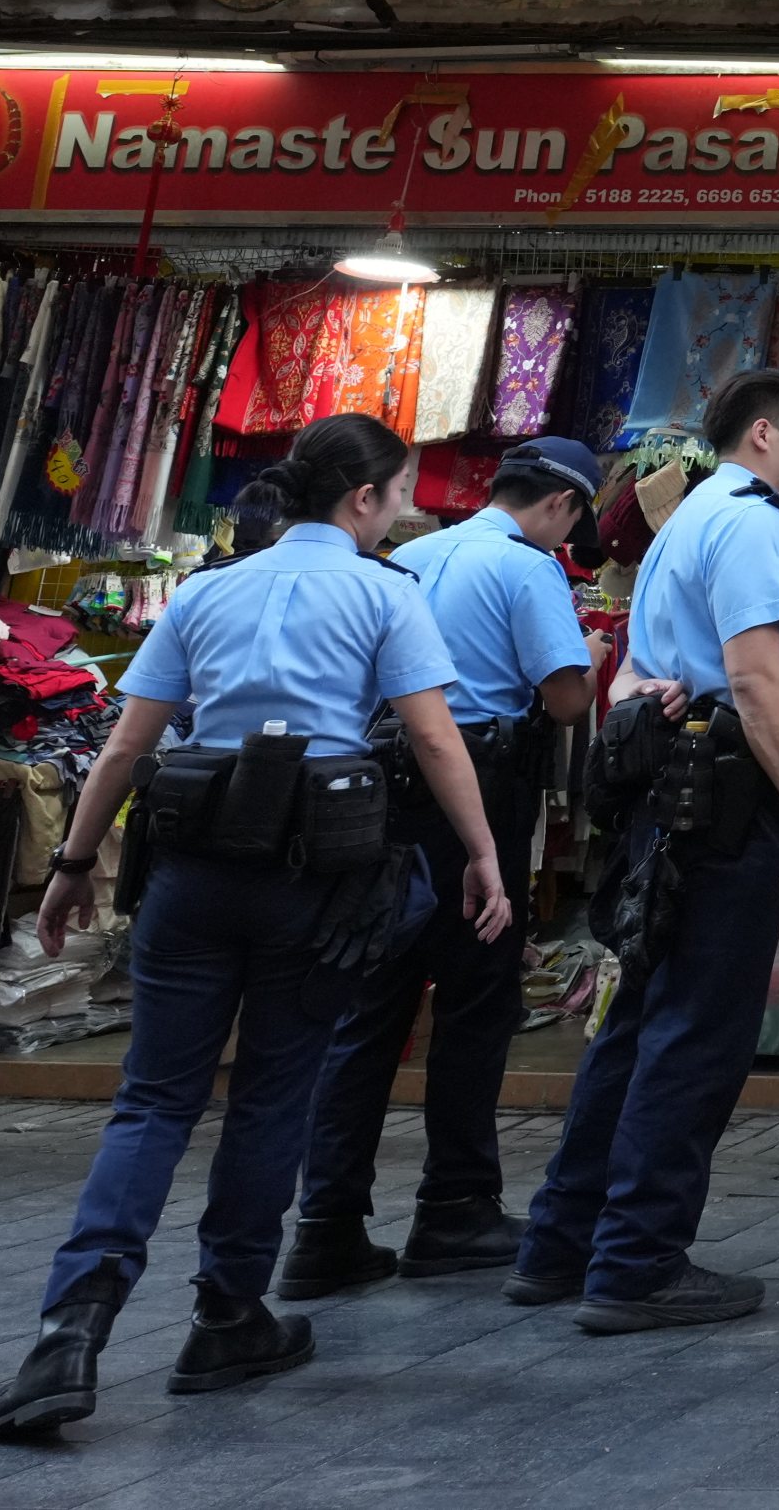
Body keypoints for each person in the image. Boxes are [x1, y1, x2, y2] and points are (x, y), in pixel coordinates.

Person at [0, 415, 513, 1443]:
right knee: (273, 1099)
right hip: (317, 876)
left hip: (193, 865)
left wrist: (72, 866)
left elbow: (129, 746)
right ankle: (227, 1313)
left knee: (151, 1103)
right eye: (398, 493)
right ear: (364, 500)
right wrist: (482, 853)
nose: (402, 511)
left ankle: (69, 1328)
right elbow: (438, 742)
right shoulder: (384, 594)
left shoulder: (207, 592)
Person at [513, 367, 779, 1332]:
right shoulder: (750, 521)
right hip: (724, 807)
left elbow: (640, 679)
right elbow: (753, 676)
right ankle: (639, 1260)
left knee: (640, 1020)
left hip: (675, 797)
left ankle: (563, 1243)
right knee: (697, 1033)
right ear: (764, 434)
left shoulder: (693, 517)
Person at [281, 436, 601, 1297]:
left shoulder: (408, 554)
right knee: (474, 1004)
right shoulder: (529, 567)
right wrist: (600, 660)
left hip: (379, 794)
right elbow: (566, 699)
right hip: (473, 794)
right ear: (562, 508)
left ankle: (325, 1224)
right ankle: (455, 1205)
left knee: (369, 1010)